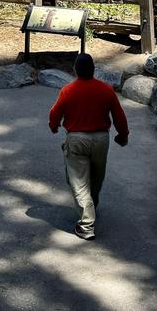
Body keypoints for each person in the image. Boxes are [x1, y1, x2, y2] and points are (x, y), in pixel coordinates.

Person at [48, 53, 129, 240]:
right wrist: (123, 136)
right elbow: (119, 116)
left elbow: (55, 113)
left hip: (76, 139)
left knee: (79, 182)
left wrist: (54, 126)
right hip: (101, 139)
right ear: (93, 69)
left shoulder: (68, 90)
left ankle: (86, 225)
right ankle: (91, 207)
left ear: (75, 70)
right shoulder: (106, 90)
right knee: (96, 177)